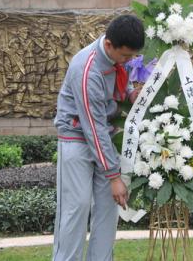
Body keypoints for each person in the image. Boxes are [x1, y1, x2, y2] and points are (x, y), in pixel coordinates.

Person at [52, 14, 145, 261]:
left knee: (108, 209)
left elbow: (117, 88)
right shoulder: (87, 69)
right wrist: (113, 176)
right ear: (108, 45)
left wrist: (130, 95)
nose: (129, 61)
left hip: (105, 140)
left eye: (132, 56)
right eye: (126, 56)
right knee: (76, 209)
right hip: (77, 140)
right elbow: (93, 128)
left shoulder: (117, 58)